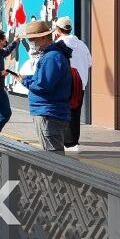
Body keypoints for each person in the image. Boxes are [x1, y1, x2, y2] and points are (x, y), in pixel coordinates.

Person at [19, 20, 72, 153]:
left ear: (43, 38)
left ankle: (59, 175)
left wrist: (25, 81)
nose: (32, 43)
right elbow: (43, 80)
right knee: (52, 155)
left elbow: (43, 85)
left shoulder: (52, 57)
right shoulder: (52, 56)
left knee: (53, 157)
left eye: (33, 39)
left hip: (49, 113)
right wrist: (28, 79)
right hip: (49, 112)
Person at [52, 17, 91, 152]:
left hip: (64, 84)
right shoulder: (82, 44)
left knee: (61, 112)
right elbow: (90, 63)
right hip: (80, 84)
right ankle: (73, 142)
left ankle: (66, 142)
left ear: (57, 30)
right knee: (75, 112)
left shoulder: (58, 45)